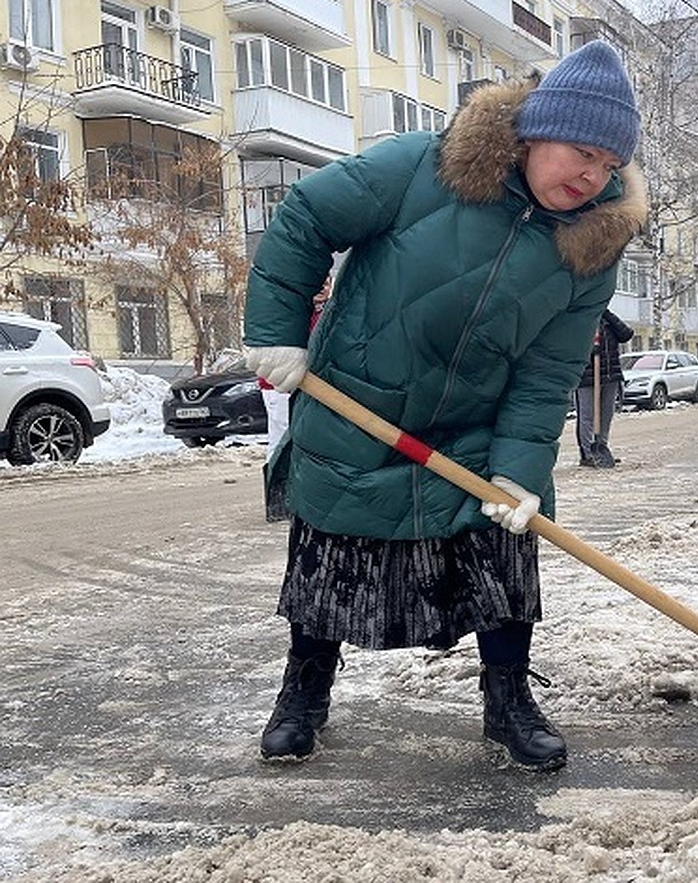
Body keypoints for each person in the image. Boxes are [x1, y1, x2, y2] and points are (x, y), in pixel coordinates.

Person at [242, 41, 646, 771]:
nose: (592, 176)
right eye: (581, 152)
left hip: (473, 430)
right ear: (535, 130)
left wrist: (521, 469)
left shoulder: (593, 243)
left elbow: (548, 368)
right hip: (356, 404)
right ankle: (304, 690)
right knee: (328, 558)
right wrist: (276, 335)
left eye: (609, 166)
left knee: (503, 554)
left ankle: (508, 700)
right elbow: (304, 217)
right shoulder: (424, 166)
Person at [259, 277, 332, 522]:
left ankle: (301, 498)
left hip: (312, 386)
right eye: (318, 283)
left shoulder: (329, 311)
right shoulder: (295, 309)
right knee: (282, 438)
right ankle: (278, 501)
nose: (322, 288)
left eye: (326, 282)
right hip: (280, 383)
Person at [574, 309, 633, 468]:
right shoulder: (579, 318)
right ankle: (587, 453)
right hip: (587, 376)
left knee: (606, 414)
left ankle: (601, 448)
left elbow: (626, 334)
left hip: (610, 374)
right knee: (587, 415)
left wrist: (608, 315)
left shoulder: (608, 321)